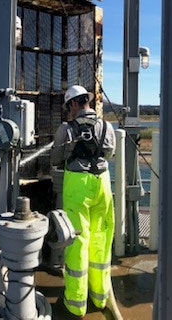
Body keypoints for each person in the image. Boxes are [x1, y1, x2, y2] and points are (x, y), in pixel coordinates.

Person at [51, 85, 116, 318]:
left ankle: (76, 303)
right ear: (87, 102)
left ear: (73, 104)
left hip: (77, 187)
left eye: (68, 106)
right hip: (103, 185)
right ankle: (99, 296)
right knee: (101, 239)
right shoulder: (107, 126)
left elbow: (56, 158)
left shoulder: (66, 128)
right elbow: (109, 154)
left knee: (77, 242)